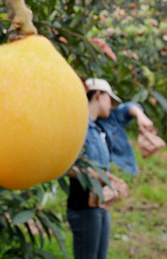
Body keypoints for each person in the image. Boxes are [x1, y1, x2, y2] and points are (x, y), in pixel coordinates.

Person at [67, 78, 157, 259]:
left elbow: (128, 109)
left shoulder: (104, 124)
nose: (112, 105)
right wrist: (93, 175)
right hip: (83, 205)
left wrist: (141, 117)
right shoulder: (76, 126)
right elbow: (63, 167)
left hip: (102, 202)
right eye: (110, 99)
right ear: (98, 95)